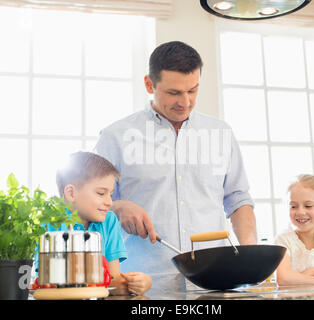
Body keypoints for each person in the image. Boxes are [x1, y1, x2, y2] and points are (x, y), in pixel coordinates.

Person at [94, 41, 257, 290]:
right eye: (174, 93)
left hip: (215, 282)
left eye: (193, 90)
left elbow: (237, 198)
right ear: (150, 84)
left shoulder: (220, 133)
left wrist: (250, 252)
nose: (186, 102)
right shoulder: (115, 136)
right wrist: (117, 207)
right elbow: (86, 206)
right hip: (143, 285)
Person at [35, 151, 152, 296]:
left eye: (111, 194)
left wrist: (141, 282)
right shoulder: (49, 224)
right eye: (101, 193)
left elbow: (113, 279)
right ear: (71, 193)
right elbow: (47, 280)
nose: (109, 202)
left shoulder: (109, 222)